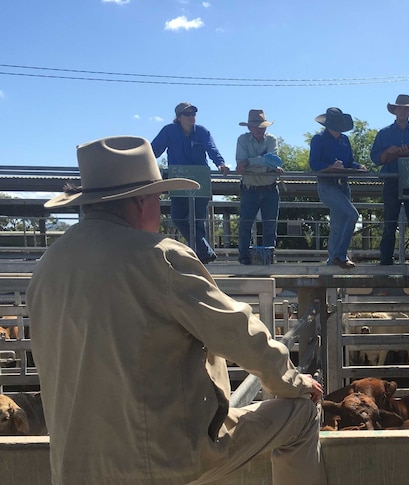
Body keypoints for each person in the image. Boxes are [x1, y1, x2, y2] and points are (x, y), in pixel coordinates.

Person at [27, 136, 325, 484]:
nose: (161, 208)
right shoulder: (160, 256)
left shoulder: (48, 266)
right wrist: (291, 381)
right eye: (158, 198)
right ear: (141, 201)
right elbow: (237, 331)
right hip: (160, 462)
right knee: (302, 413)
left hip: (73, 468)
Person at [152, 102, 230, 263]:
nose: (191, 117)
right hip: (178, 179)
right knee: (179, 217)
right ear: (179, 117)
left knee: (198, 220)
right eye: (187, 114)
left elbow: (211, 149)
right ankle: (204, 250)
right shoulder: (169, 131)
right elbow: (154, 151)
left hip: (200, 179)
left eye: (193, 113)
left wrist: (220, 164)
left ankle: (201, 256)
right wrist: (144, 165)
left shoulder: (202, 131)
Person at [370, 94, 409, 265]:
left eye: (406, 108)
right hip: (391, 181)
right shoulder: (383, 134)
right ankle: (385, 263)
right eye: (400, 107)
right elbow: (376, 159)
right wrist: (389, 153)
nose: (403, 110)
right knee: (389, 225)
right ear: (395, 110)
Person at [309, 107, 366, 269]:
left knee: (336, 224)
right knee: (351, 214)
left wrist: (359, 166)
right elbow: (314, 164)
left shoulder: (345, 140)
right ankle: (340, 256)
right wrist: (331, 166)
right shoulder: (318, 139)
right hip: (327, 184)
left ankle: (332, 259)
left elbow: (349, 163)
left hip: (343, 185)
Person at [235, 109, 282, 265]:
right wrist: (266, 165)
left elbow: (272, 162)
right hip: (250, 189)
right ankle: (244, 259)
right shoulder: (242, 139)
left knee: (270, 227)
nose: (261, 129)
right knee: (244, 226)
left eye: (263, 126)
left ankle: (268, 259)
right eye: (257, 126)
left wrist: (250, 162)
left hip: (270, 189)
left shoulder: (272, 140)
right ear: (249, 128)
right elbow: (241, 163)